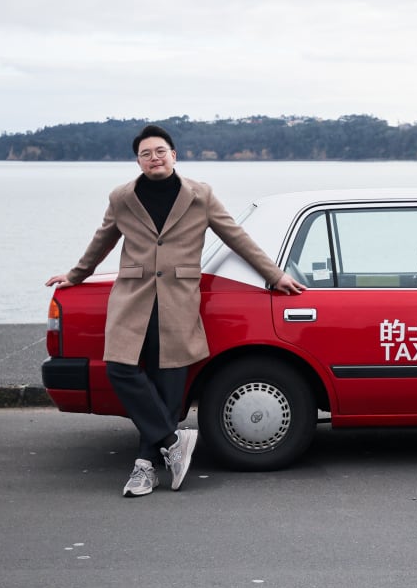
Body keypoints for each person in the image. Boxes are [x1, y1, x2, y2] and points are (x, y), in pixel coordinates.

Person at [46, 124, 306, 497]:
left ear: (174, 155)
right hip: (132, 299)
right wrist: (76, 275)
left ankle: (144, 467)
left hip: (178, 302)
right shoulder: (122, 197)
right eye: (146, 153)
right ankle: (171, 441)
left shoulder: (200, 195)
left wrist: (275, 275)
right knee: (120, 369)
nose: (154, 158)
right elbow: (102, 240)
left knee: (168, 389)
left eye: (160, 151)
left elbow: (236, 236)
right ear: (138, 160)